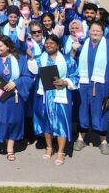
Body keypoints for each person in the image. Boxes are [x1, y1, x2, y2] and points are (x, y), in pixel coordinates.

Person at [74, 22, 109, 155]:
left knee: (102, 112)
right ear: (89, 32)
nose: (95, 33)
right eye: (92, 30)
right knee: (82, 111)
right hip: (84, 85)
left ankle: (103, 141)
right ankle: (81, 138)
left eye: (98, 31)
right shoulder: (83, 45)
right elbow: (72, 64)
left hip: (102, 86)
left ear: (103, 32)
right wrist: (73, 50)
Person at [32, 35, 78, 165]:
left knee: (61, 122)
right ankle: (49, 148)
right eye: (46, 43)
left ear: (58, 45)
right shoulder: (40, 59)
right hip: (45, 95)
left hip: (61, 94)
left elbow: (75, 76)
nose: (49, 45)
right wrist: (30, 58)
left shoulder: (68, 60)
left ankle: (61, 152)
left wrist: (65, 81)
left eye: (52, 43)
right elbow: (33, 71)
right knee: (46, 122)